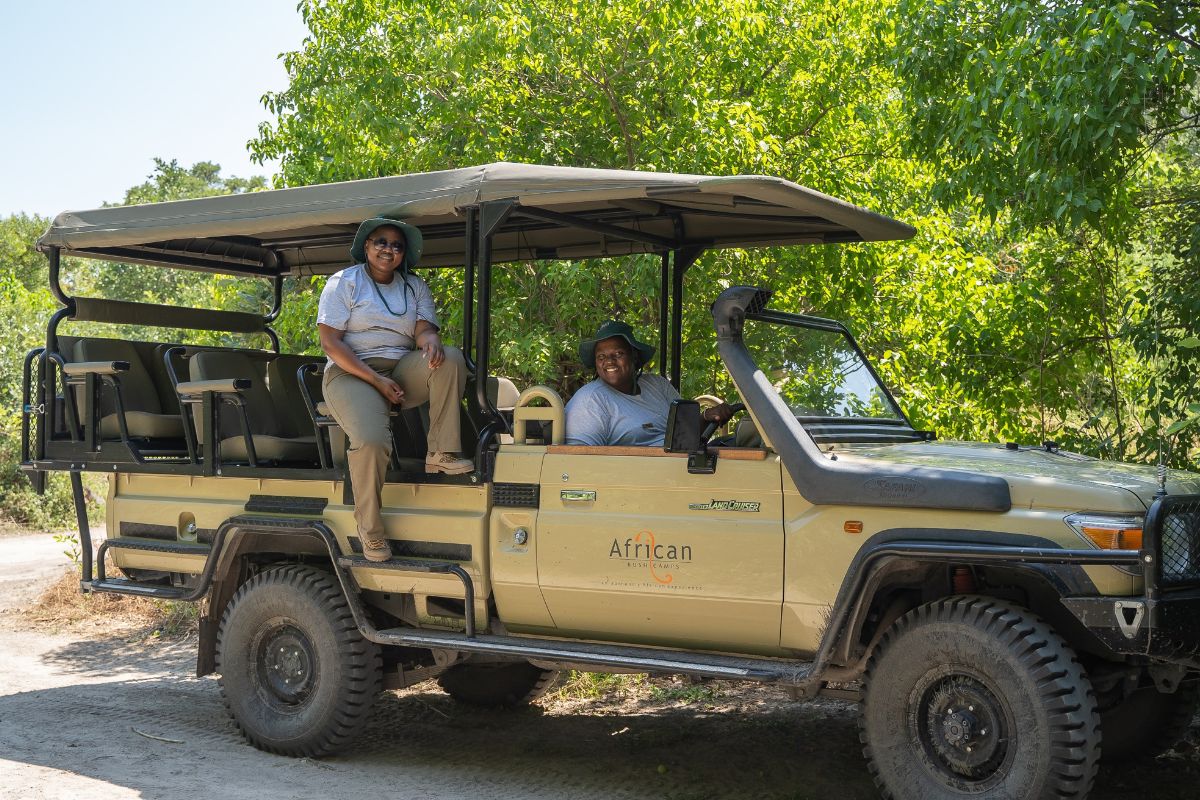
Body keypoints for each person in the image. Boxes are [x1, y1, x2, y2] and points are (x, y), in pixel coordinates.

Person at [317, 217, 472, 562]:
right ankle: (370, 532)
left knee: (451, 358)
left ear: (404, 254)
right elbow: (330, 343)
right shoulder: (345, 281)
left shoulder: (413, 287)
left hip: (400, 368)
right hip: (351, 371)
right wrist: (376, 380)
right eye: (381, 242)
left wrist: (430, 342)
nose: (389, 249)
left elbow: (423, 331)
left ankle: (442, 453)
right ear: (366, 247)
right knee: (372, 440)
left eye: (397, 245)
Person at [564, 319, 734, 447]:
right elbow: (581, 462)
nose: (609, 361)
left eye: (618, 354)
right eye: (601, 357)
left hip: (681, 471)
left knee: (737, 441)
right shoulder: (590, 401)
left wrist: (706, 417)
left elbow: (684, 435)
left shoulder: (657, 385)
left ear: (635, 357)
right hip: (640, 484)